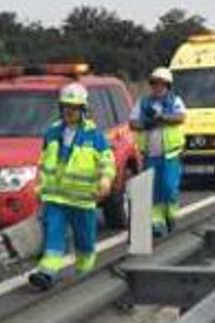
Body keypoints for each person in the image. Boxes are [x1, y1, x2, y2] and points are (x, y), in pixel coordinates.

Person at [28, 83, 115, 291]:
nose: (69, 111)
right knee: (54, 235)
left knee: (84, 241)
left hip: (83, 200)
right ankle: (46, 273)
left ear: (83, 110)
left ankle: (84, 272)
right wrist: (38, 187)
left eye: (74, 107)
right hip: (55, 199)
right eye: (66, 106)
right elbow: (43, 162)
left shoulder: (94, 136)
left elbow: (107, 161)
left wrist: (105, 181)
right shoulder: (52, 133)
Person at [129, 67, 187, 236]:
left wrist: (163, 118)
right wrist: (146, 123)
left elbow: (181, 117)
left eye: (161, 84)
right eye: (154, 83)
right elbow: (133, 123)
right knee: (153, 190)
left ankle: (171, 215)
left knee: (168, 187)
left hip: (170, 154)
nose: (157, 87)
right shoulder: (143, 102)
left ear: (167, 86)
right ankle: (156, 223)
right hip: (150, 155)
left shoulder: (175, 101)